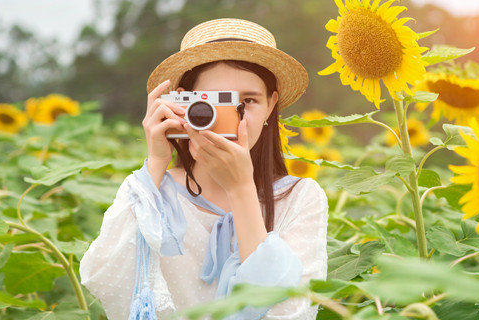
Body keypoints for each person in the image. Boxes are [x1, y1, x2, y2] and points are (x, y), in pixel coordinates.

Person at [79, 18, 328, 319]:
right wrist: (156, 162)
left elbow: (291, 311)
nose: (233, 120)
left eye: (247, 101)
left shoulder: (299, 198)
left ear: (271, 105)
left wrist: (242, 190)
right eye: (214, 103)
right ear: (182, 101)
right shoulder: (150, 193)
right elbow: (103, 278)